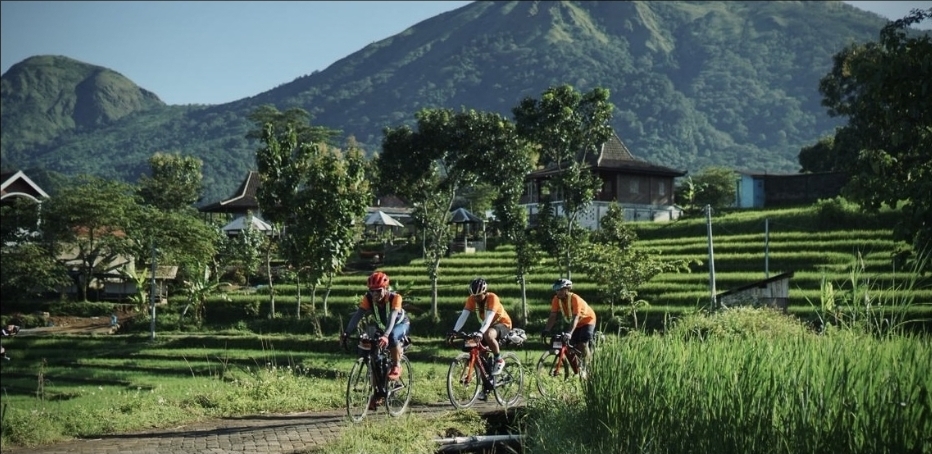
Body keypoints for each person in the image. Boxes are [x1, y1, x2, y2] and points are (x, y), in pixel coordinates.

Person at [341, 271, 410, 382]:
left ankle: (397, 365)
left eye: (378, 291)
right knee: (374, 357)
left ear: (385, 288)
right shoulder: (368, 298)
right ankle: (378, 394)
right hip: (383, 327)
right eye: (371, 291)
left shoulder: (395, 298)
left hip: (400, 325)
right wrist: (347, 332)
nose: (374, 294)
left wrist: (386, 335)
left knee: (392, 336)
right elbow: (358, 315)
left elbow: (392, 316)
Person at [449, 277, 513, 376]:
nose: (476, 298)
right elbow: (463, 316)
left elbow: (489, 318)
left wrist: (480, 332)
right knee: (477, 353)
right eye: (474, 296)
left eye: (478, 296)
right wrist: (454, 331)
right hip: (487, 327)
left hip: (503, 324)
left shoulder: (492, 298)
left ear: (485, 293)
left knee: (488, 335)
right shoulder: (472, 299)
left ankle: (499, 359)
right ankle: (486, 385)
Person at [542, 278, 597, 378]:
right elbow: (553, 315)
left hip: (587, 320)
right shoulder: (556, 300)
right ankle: (578, 368)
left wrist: (569, 333)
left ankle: (587, 367)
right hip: (576, 323)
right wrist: (547, 330)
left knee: (583, 343)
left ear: (567, 289)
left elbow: (576, 317)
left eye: (561, 290)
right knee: (572, 346)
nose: (558, 292)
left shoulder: (575, 299)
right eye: (557, 290)